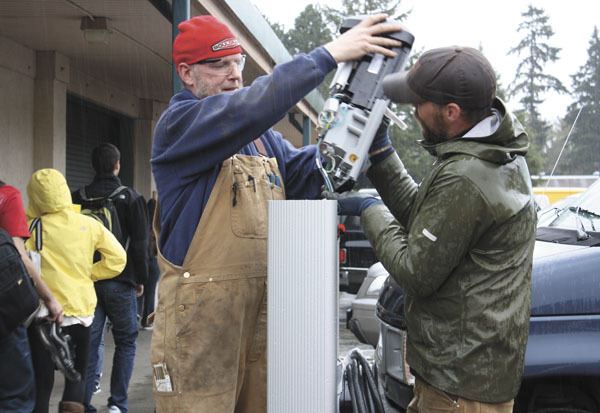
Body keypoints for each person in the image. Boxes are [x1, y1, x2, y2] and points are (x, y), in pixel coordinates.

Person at [150, 13, 403, 413]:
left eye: (238, 63)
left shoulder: (261, 139)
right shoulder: (180, 126)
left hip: (257, 323)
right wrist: (328, 55)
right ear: (186, 73)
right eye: (218, 65)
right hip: (199, 327)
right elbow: (251, 106)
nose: (233, 74)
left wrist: (363, 128)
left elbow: (312, 172)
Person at [328, 47, 537, 411]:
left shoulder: (468, 176)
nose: (413, 109)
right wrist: (380, 154)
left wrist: (369, 209)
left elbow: (416, 271)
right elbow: (429, 219)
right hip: (464, 376)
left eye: (419, 102)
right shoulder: (492, 152)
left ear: (451, 113)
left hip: (459, 388)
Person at [24, 169, 126, 413]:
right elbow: (118, 259)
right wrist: (89, 273)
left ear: (35, 197)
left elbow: (23, 265)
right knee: (77, 373)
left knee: (43, 377)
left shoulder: (31, 228)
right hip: (81, 311)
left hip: (43, 313)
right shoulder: (89, 224)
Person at [71, 143, 149, 413]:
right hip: (121, 280)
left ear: (93, 166)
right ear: (118, 165)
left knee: (89, 344)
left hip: (87, 282)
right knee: (126, 341)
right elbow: (140, 243)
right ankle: (117, 404)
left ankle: (83, 403)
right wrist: (141, 279)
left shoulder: (77, 197)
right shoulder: (131, 197)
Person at [0, 179, 63, 412]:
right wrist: (49, 298)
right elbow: (20, 255)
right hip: (7, 305)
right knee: (15, 396)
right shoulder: (7, 195)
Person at [138, 191, 159, 330]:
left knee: (140, 292)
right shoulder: (157, 228)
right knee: (151, 293)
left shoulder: (142, 226)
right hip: (153, 262)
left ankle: (137, 317)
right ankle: (148, 321)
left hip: (142, 261)